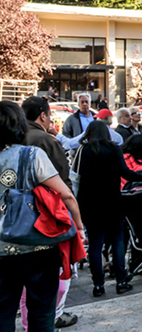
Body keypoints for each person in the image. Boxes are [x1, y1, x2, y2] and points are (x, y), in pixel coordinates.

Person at [0, 101, 85, 332]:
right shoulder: (32, 155)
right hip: (37, 245)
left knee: (3, 314)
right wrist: (78, 227)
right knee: (42, 314)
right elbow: (66, 195)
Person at [20, 97, 79, 328]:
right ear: (43, 115)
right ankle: (52, 315)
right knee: (51, 278)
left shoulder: (15, 139)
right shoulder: (44, 140)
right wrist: (77, 222)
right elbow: (64, 184)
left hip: (15, 221)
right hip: (47, 215)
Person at [76, 121, 142, 297]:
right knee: (117, 240)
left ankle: (98, 285)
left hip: (90, 204)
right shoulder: (114, 149)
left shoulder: (84, 150)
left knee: (95, 244)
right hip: (112, 202)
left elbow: (79, 176)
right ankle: (121, 281)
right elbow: (125, 172)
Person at [57, 109, 123, 150]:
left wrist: (56, 134)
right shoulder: (118, 138)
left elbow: (69, 144)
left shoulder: (89, 134)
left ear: (99, 120)